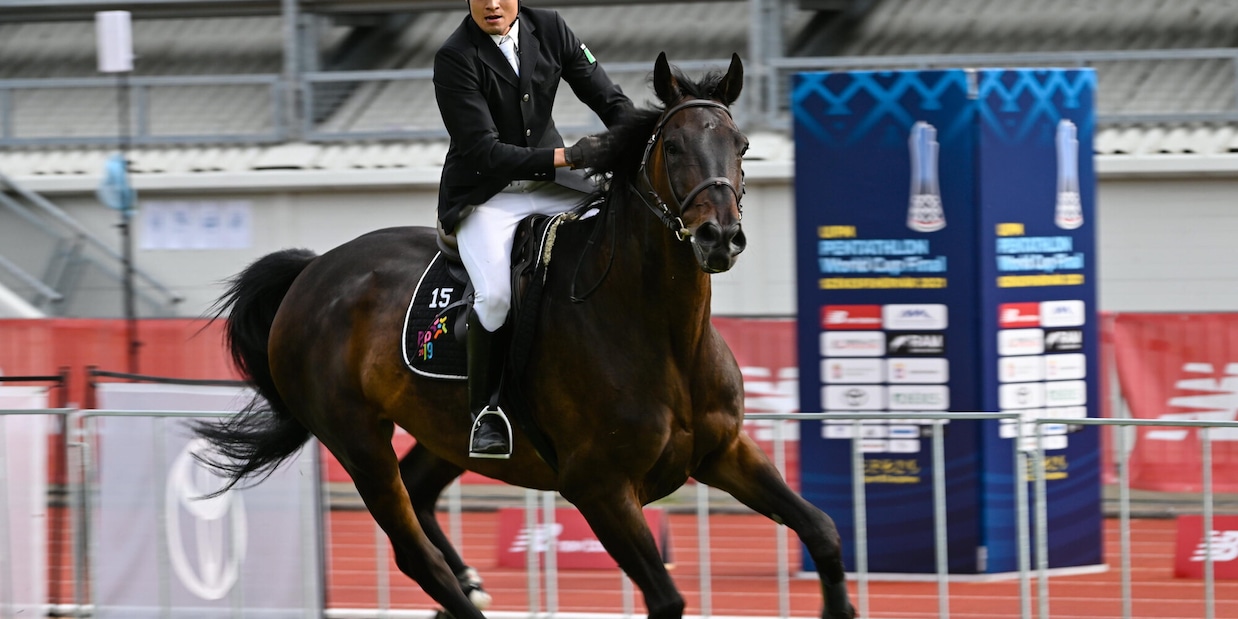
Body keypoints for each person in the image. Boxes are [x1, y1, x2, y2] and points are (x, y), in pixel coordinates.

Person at [434, 0, 634, 458]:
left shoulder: (551, 27)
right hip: (487, 196)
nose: (491, 4)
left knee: (624, 227)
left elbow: (607, 98)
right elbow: (485, 152)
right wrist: (571, 156)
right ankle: (485, 412)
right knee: (496, 296)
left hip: (553, 185)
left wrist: (636, 139)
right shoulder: (455, 56)